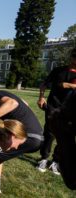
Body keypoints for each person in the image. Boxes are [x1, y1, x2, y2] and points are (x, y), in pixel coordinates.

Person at [0, 80, 43, 198]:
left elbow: (12, 103)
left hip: (26, 137)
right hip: (35, 136)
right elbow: (25, 104)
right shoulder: (2, 93)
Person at [39, 48, 76, 189]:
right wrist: (41, 97)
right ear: (72, 57)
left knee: (67, 137)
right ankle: (43, 158)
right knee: (49, 133)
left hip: (71, 111)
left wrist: (70, 86)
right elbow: (45, 84)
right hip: (54, 107)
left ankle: (56, 161)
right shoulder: (59, 71)